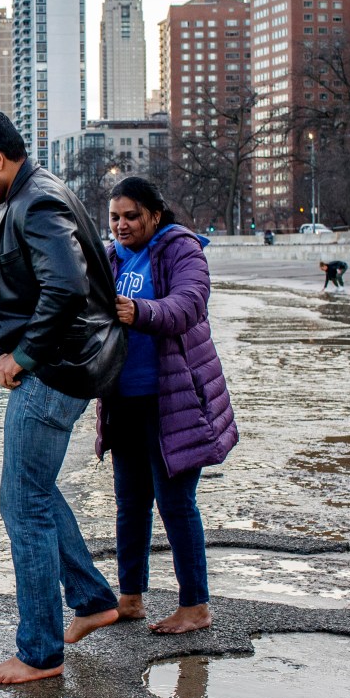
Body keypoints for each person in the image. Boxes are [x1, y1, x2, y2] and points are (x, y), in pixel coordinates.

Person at [0, 111, 126, 685]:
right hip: (68, 365)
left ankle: (40, 652)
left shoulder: (37, 202)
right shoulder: (36, 195)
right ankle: (94, 599)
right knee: (36, 492)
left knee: (21, 504)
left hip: (55, 371)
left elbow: (68, 286)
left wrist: (21, 357)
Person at [100, 177, 239, 637]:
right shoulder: (110, 256)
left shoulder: (180, 249)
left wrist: (139, 311)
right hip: (123, 399)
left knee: (175, 503)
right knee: (129, 502)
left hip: (172, 399)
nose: (121, 225)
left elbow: (190, 304)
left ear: (155, 215)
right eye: (115, 217)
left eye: (131, 216)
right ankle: (131, 597)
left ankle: (195, 606)